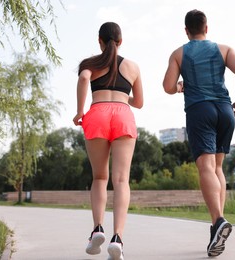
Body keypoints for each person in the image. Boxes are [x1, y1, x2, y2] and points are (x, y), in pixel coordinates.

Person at [162, 9, 235, 257]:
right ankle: (215, 230)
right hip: (225, 110)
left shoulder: (179, 53)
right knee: (218, 168)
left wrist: (180, 86)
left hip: (200, 111)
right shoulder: (224, 49)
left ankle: (219, 220)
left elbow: (168, 86)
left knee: (206, 169)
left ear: (186, 31)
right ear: (207, 28)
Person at [73, 22, 143, 260]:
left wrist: (80, 111)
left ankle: (97, 229)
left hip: (97, 114)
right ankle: (118, 239)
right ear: (120, 41)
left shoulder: (90, 64)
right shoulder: (132, 67)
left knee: (100, 177)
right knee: (121, 179)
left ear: (99, 41)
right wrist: (123, 96)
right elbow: (140, 102)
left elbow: (84, 79)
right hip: (123, 114)